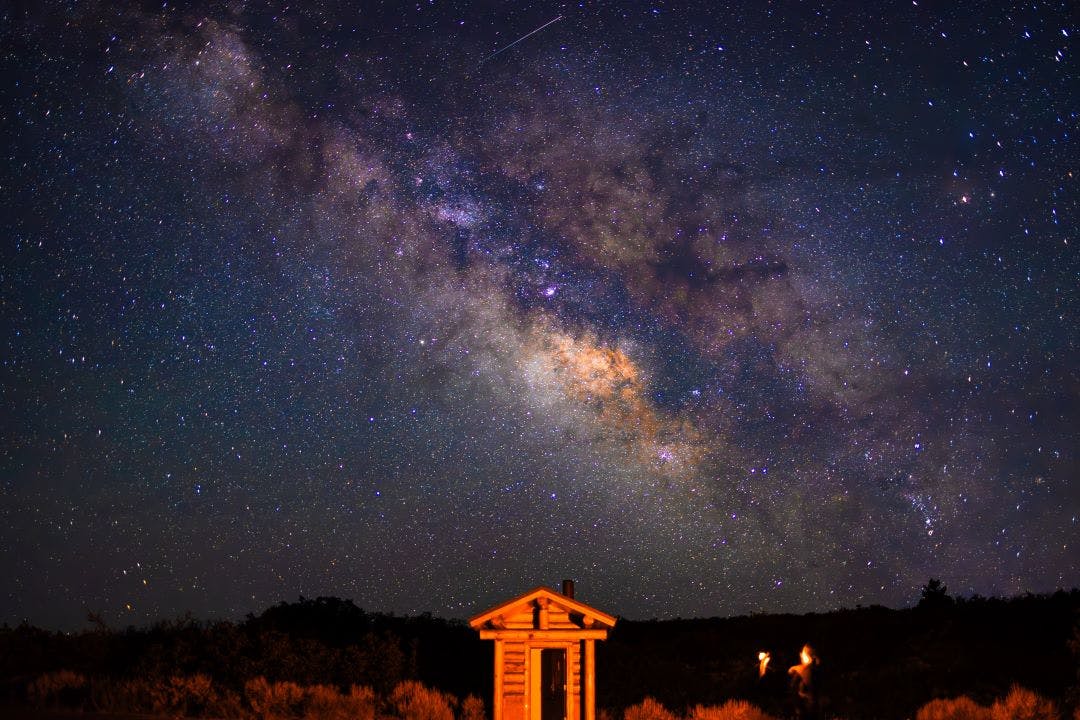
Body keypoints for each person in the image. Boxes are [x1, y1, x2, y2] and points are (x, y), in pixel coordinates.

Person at [788, 644, 820, 720]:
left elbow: (791, 671)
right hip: (806, 706)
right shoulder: (804, 669)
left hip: (808, 708)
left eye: (804, 653)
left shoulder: (808, 670)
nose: (802, 655)